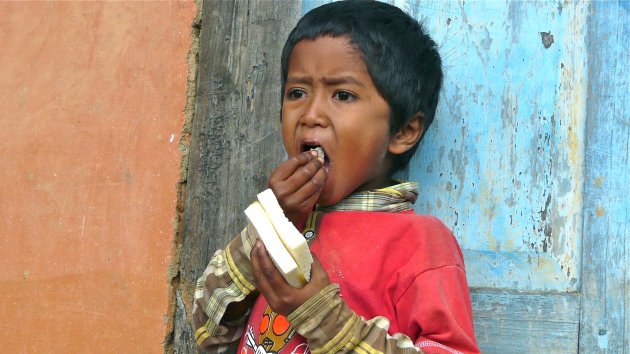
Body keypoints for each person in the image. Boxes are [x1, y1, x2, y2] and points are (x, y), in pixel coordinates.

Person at [192, 1, 479, 353]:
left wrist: (322, 316)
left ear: (404, 130)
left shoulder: (420, 243)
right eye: (297, 93)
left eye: (343, 95)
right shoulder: (283, 220)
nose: (310, 114)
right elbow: (209, 332)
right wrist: (271, 224)